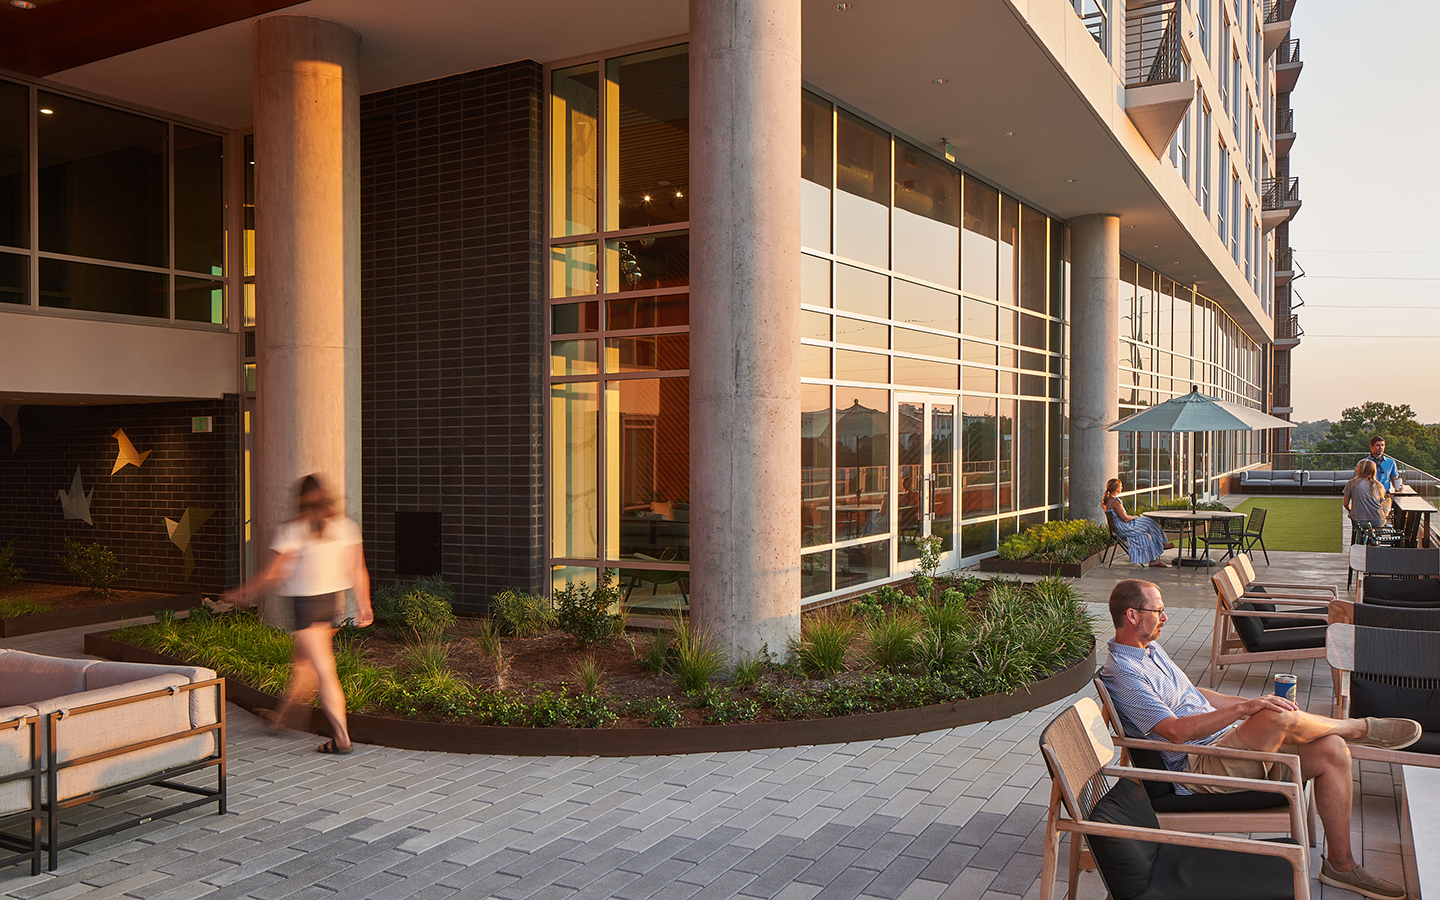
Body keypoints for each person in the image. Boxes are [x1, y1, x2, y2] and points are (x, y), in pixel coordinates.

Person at [1100, 579, 1419, 900]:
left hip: (1225, 746)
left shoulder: (1150, 650)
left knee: (1331, 749)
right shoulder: (1124, 673)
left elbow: (1194, 696)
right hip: (1200, 767)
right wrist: (1246, 707)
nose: (1165, 617)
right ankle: (1359, 728)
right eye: (1158, 610)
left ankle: (1341, 864)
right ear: (1132, 615)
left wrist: (1249, 707)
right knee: (1275, 716)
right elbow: (1176, 731)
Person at [223, 474, 373, 754]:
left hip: (306, 608)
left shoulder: (293, 529)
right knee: (304, 667)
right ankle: (281, 719)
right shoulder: (344, 527)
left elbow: (273, 572)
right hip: (331, 604)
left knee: (325, 671)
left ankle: (342, 737)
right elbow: (357, 568)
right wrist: (364, 604)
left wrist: (240, 591)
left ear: (299, 500)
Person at [1101, 478, 1170, 567]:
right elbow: (1125, 519)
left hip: (1120, 527)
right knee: (1151, 521)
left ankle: (1154, 560)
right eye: (1121, 486)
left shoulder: (1107, 500)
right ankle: (1163, 543)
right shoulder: (1115, 501)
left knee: (1147, 534)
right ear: (1116, 488)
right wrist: (1134, 517)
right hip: (1124, 527)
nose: (1122, 487)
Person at [1344, 458, 1387, 533]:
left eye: (1357, 467)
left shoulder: (1352, 483)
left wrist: (1351, 511)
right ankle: (1374, 542)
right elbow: (1380, 504)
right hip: (1378, 520)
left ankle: (1359, 542)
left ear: (1362, 470)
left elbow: (1345, 503)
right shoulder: (1379, 485)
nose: (1356, 469)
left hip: (1360, 520)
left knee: (1359, 527)